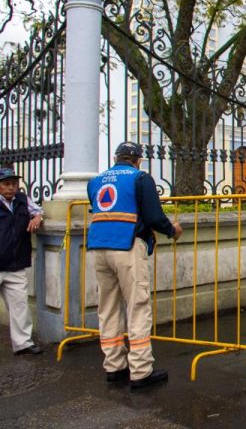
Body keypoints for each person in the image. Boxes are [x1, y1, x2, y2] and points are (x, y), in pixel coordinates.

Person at [86, 142, 182, 389]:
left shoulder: (96, 181)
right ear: (137, 160)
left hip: (98, 247)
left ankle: (114, 366)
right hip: (127, 246)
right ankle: (140, 370)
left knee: (107, 307)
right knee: (137, 306)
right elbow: (153, 216)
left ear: (116, 158)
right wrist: (172, 230)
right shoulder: (140, 178)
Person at [0, 167, 44, 356]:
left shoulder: (22, 200)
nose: (11, 188)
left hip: (16, 263)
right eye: (6, 184)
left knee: (20, 306)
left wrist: (38, 217)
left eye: (14, 184)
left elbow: (38, 210)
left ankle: (23, 343)